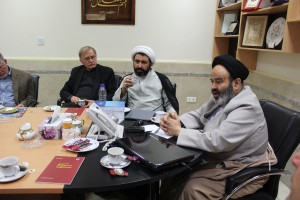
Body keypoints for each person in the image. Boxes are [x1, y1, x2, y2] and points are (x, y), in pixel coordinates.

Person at [159, 54, 277, 200]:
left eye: (219, 81)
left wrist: (179, 131)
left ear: (236, 83)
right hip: (222, 157)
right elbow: (199, 114)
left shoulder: (247, 109)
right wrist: (177, 121)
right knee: (173, 172)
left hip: (242, 166)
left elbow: (218, 141)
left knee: (192, 189)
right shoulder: (222, 95)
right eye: (212, 81)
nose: (213, 87)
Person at [112, 45, 179, 113]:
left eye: (143, 62)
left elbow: (169, 104)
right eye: (137, 61)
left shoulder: (161, 79)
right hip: (132, 117)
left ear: (150, 64)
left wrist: (171, 116)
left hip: (155, 117)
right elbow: (115, 104)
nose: (139, 65)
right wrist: (123, 90)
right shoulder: (127, 79)